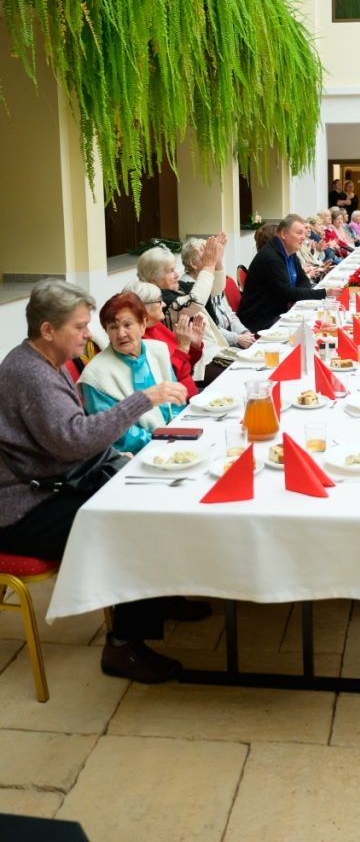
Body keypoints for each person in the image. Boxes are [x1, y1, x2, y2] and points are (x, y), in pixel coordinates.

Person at [0, 280, 197, 684]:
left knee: (146, 495)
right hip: (22, 508)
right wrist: (145, 399)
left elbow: (67, 441)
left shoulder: (39, 363)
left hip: (47, 487)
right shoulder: (31, 375)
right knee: (128, 523)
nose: (89, 334)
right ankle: (123, 647)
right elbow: (75, 439)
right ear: (48, 330)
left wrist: (116, 459)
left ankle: (159, 593)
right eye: (81, 326)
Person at [79, 293, 186, 453]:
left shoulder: (156, 350)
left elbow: (176, 402)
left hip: (173, 440)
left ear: (143, 324)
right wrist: (163, 442)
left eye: (127, 325)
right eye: (113, 327)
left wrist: (182, 431)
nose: (121, 334)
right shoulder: (96, 375)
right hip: (138, 453)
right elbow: (114, 433)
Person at [136, 238, 237, 382]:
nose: (177, 274)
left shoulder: (179, 287)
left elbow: (215, 289)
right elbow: (196, 301)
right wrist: (208, 265)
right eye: (170, 271)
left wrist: (217, 261)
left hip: (209, 352)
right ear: (153, 278)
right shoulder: (162, 300)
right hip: (198, 364)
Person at [238, 214, 340, 333]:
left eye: (304, 233)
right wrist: (324, 293)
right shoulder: (271, 257)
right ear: (284, 235)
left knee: (321, 321)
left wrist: (298, 296)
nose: (304, 237)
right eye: (299, 233)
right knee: (313, 328)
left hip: (279, 309)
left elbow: (303, 281)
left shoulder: (290, 251)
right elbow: (287, 293)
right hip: (261, 319)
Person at [124, 280, 204, 399]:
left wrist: (193, 347)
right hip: (177, 404)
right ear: (143, 308)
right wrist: (182, 348)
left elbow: (186, 366)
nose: (164, 305)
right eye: (159, 301)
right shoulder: (138, 339)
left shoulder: (157, 326)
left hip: (191, 392)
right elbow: (165, 378)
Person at [180, 237, 256, 351]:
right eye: (207, 254)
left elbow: (229, 314)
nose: (213, 257)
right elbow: (210, 329)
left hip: (232, 337)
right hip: (217, 347)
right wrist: (236, 338)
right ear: (193, 264)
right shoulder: (190, 290)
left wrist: (244, 332)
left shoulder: (212, 279)